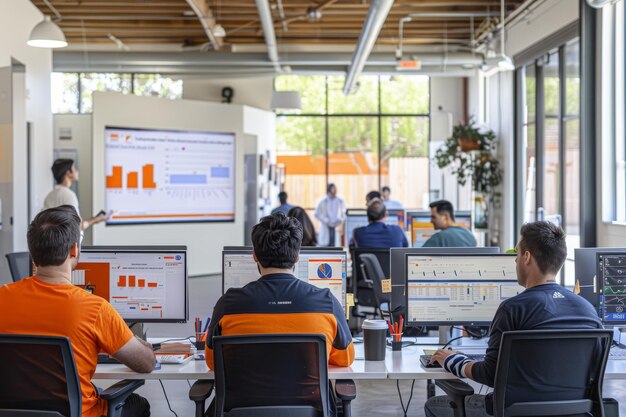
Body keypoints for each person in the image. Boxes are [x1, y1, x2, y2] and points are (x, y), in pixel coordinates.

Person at [425, 221, 603, 417]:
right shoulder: (587, 309)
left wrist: (453, 360)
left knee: (435, 405)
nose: (516, 261)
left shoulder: (513, 309)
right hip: (574, 412)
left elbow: (490, 375)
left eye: (517, 255)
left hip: (514, 411)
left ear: (526, 257)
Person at [0, 205, 155, 417]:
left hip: (11, 412)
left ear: (33, 252)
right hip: (80, 413)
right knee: (137, 403)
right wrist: (142, 344)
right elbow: (146, 363)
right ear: (74, 250)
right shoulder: (95, 309)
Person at [205, 212, 354, 415]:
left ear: (254, 255)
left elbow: (212, 363)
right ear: (298, 255)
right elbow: (345, 359)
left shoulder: (228, 305)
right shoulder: (326, 302)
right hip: (309, 412)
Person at [43, 159, 107, 230]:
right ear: (68, 173)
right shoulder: (68, 195)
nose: (77, 171)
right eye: (74, 168)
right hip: (66, 240)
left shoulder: (50, 195)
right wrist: (95, 220)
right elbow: (77, 226)